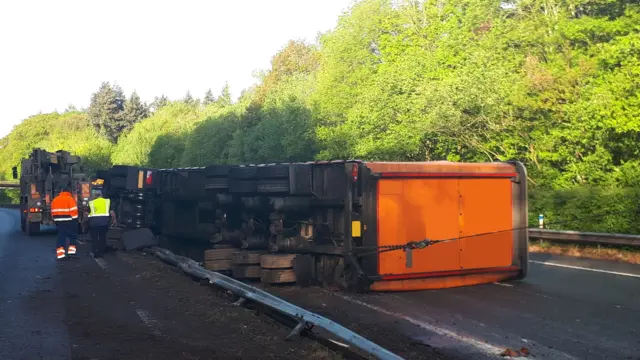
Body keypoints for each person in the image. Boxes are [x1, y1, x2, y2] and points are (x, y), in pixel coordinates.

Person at [51, 185, 79, 260]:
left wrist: (55, 220)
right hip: (69, 221)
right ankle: (71, 253)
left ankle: (60, 255)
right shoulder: (70, 199)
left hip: (59, 222)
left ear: (61, 191)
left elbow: (52, 212)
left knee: (61, 237)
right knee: (73, 236)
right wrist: (75, 220)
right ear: (69, 192)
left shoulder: (55, 200)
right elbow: (74, 211)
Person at [87, 190, 117, 258]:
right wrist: (114, 220)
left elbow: (87, 214)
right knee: (102, 237)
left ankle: (95, 251)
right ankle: (101, 252)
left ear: (94, 196)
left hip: (94, 223)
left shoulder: (91, 203)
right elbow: (112, 213)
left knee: (94, 238)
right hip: (104, 223)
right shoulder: (107, 202)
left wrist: (85, 223)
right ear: (101, 195)